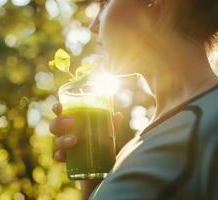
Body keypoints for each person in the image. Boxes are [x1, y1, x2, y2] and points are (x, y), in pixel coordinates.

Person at [50, 0, 218, 199]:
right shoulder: (138, 143)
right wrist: (93, 181)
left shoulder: (212, 118)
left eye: (104, 4)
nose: (93, 25)